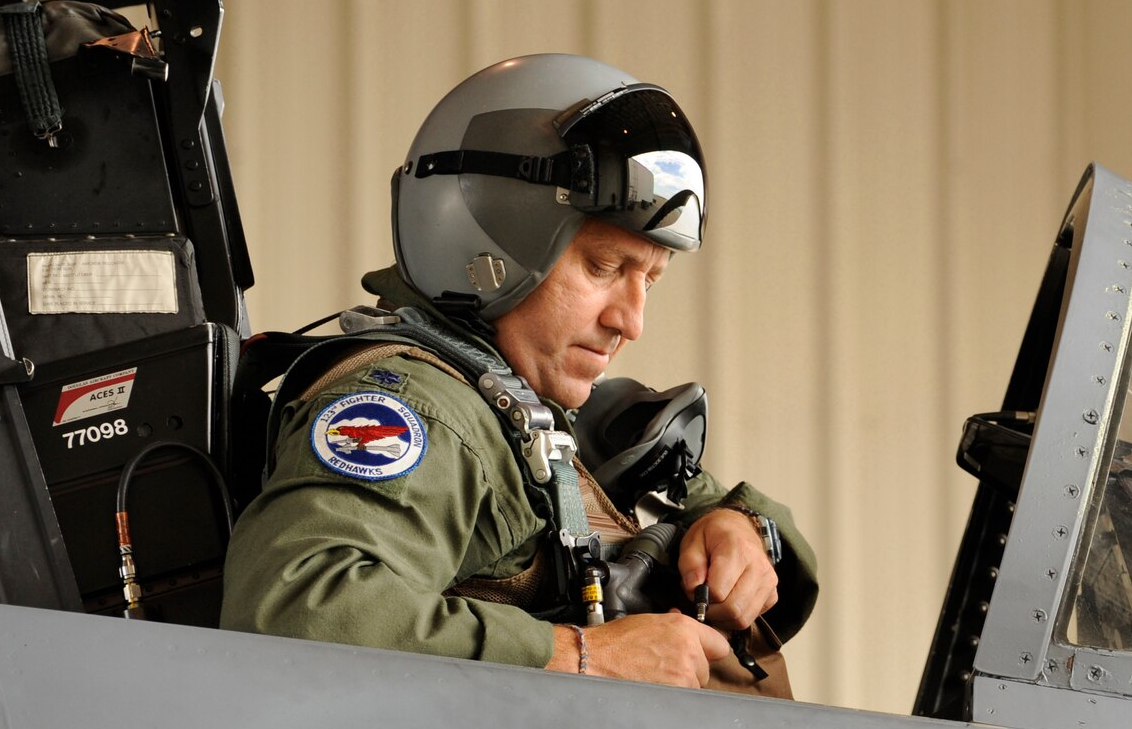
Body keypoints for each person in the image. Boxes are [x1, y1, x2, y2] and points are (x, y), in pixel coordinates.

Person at [220, 54, 816, 690]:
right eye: (603, 267)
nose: (631, 321)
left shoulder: (531, 414)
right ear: (492, 247)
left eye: (650, 281)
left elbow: (685, 497)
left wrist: (734, 526)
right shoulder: (422, 412)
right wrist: (583, 657)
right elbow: (293, 607)